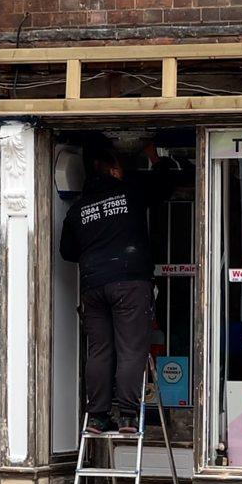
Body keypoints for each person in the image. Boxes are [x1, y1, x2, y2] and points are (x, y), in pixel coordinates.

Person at [59, 143, 169, 435]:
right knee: (131, 348)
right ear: (114, 169)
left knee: (100, 351)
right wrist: (155, 158)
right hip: (130, 282)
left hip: (93, 285)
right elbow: (164, 184)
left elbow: (67, 252)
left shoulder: (79, 209)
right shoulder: (130, 191)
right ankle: (129, 416)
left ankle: (97, 416)